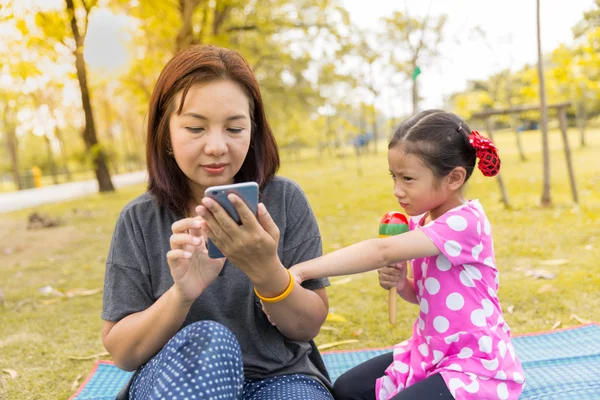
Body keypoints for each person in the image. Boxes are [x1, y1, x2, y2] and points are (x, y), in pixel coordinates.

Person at [101, 44, 333, 400]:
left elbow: (307, 326)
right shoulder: (139, 219)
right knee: (212, 341)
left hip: (278, 379)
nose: (216, 146)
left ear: (253, 131)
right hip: (179, 381)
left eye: (234, 129)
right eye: (195, 128)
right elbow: (123, 351)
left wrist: (266, 269)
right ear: (165, 134)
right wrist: (182, 293)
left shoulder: (285, 201)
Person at [280, 110, 525, 399]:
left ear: (455, 178)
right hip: (429, 351)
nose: (397, 190)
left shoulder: (465, 222)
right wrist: (400, 284)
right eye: (394, 176)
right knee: (346, 390)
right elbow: (423, 294)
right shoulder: (422, 222)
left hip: (473, 361)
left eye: (408, 178)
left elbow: (380, 251)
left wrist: (302, 271)